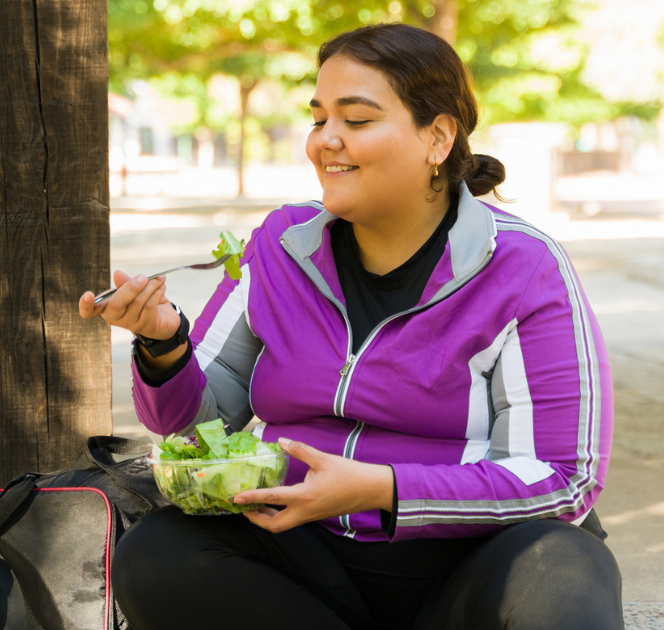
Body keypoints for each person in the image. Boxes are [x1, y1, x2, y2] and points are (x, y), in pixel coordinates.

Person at [79, 23, 620, 630]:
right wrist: (164, 344)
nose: (325, 141)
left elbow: (561, 477)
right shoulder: (279, 246)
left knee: (563, 573)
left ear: (437, 137)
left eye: (356, 121)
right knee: (158, 554)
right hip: (305, 555)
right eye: (319, 119)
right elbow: (201, 431)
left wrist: (385, 488)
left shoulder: (522, 267)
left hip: (468, 559)